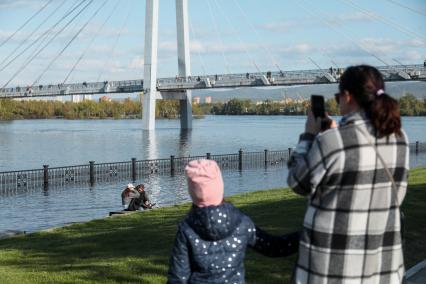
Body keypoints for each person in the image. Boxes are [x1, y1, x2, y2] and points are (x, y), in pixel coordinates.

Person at [287, 65, 409, 283]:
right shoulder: (400, 138)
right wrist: (333, 134)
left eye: (337, 97)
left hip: (333, 268)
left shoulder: (332, 142)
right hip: (383, 266)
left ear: (347, 96)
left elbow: (297, 182)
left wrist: (308, 136)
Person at [168, 159, 300, 283]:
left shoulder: (187, 229)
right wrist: (305, 236)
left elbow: (178, 277)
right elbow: (273, 247)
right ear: (219, 187)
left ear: (192, 192)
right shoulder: (240, 222)